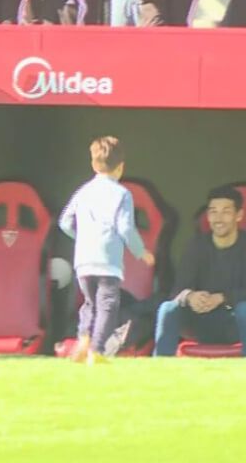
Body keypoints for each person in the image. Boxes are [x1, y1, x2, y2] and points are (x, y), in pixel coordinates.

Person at [59, 136, 154, 365]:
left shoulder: (83, 191)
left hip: (83, 261)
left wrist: (81, 237)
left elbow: (64, 222)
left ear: (93, 165)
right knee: (108, 305)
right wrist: (141, 252)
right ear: (121, 167)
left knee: (89, 303)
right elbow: (125, 227)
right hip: (107, 261)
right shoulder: (122, 194)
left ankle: (83, 339)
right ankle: (97, 350)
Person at [154, 186, 246, 357]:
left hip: (235, 321)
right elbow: (178, 289)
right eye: (213, 212)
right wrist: (191, 296)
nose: (218, 219)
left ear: (239, 215)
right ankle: (159, 370)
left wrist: (221, 298)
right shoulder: (196, 245)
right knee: (168, 308)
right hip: (201, 321)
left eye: (226, 212)